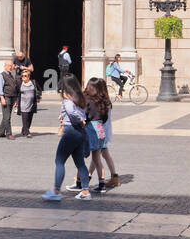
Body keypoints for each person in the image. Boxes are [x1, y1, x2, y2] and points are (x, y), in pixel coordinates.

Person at [41, 74, 92, 202]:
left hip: (71, 131)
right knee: (80, 163)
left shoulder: (68, 100)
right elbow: (79, 113)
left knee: (59, 161)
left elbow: (71, 112)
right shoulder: (81, 98)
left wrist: (78, 121)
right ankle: (85, 191)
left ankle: (56, 191)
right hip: (80, 132)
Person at [84, 78, 120, 192]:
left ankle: (87, 178)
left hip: (98, 130)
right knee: (101, 155)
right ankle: (113, 177)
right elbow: (104, 119)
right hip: (102, 131)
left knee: (97, 156)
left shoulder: (94, 101)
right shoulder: (105, 101)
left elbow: (88, 116)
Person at [0, 61, 19, 139]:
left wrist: (15, 100)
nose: (11, 67)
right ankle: (9, 134)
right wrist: (2, 98)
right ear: (5, 66)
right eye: (9, 66)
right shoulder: (1, 75)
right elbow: (0, 88)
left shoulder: (11, 75)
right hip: (6, 97)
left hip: (12, 97)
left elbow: (14, 87)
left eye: (11, 66)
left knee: (6, 116)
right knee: (7, 117)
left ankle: (0, 133)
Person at [17, 67, 40, 137]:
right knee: (25, 119)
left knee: (29, 119)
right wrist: (15, 101)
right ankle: (27, 132)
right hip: (23, 104)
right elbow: (16, 92)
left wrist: (38, 97)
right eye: (22, 76)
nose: (23, 77)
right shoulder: (20, 83)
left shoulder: (33, 82)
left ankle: (24, 129)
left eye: (25, 76)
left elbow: (39, 89)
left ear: (29, 76)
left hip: (31, 104)